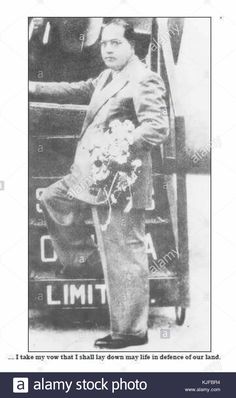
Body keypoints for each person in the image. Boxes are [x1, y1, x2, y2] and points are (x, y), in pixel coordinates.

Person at [29, 18, 169, 349]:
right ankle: (84, 259)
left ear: (132, 46)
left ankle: (131, 332)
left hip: (119, 181)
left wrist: (121, 145)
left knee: (125, 254)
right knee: (53, 198)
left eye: (115, 43)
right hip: (87, 175)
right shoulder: (109, 75)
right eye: (104, 43)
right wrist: (30, 87)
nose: (107, 49)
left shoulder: (144, 80)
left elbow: (156, 127)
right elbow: (76, 90)